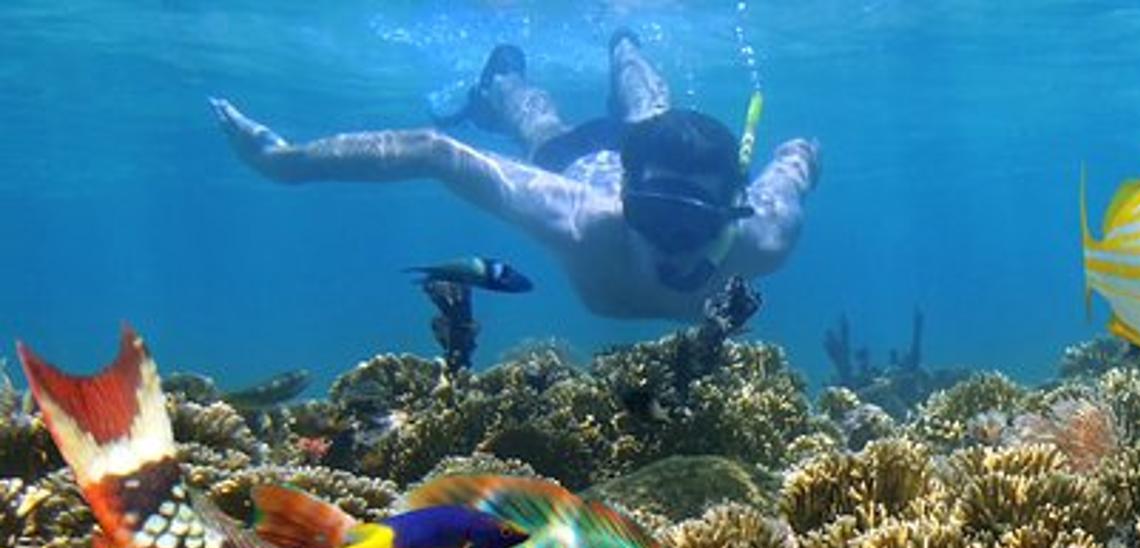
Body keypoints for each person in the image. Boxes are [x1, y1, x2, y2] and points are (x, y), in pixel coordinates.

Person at [211, 31, 820, 320]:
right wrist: (286, 164)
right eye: (653, 215)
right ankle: (593, 49)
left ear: (730, 212)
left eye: (691, 221)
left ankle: (620, 47)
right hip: (579, 165)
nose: (668, 241)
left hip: (650, 163)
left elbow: (797, 157)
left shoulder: (763, 237)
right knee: (548, 126)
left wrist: (804, 154)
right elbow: (434, 150)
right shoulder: (579, 218)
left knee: (653, 113)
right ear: (626, 200)